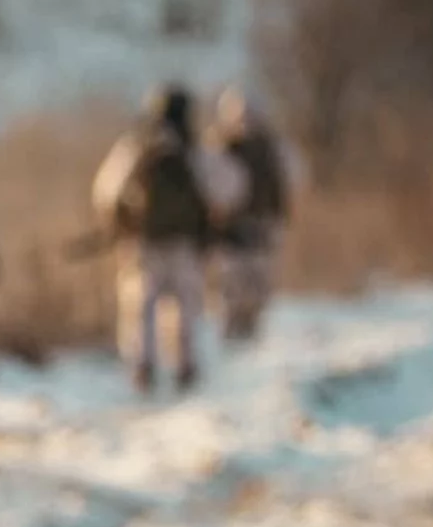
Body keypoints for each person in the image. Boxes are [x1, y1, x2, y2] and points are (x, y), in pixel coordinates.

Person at [92, 83, 246, 393]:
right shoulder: (197, 152)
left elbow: (106, 190)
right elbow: (231, 188)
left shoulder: (136, 147)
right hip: (186, 245)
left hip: (142, 244)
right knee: (187, 308)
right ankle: (184, 366)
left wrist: (120, 223)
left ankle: (142, 368)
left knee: (140, 308)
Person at [206, 86, 302, 342]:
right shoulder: (275, 147)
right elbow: (297, 177)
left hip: (245, 228)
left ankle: (240, 333)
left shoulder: (220, 147)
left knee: (239, 286)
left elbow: (210, 186)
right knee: (249, 286)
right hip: (258, 227)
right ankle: (242, 333)